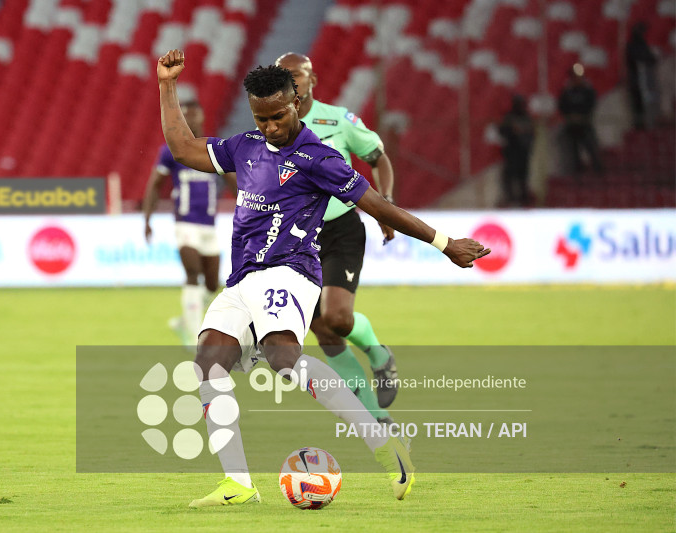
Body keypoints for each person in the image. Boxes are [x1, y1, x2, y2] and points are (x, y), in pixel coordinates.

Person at [156, 49, 490, 508]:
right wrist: (166, 85)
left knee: (281, 356)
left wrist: (444, 242)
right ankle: (238, 483)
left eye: (277, 116)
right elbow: (183, 149)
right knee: (209, 360)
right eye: (261, 119)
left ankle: (383, 444)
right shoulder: (246, 146)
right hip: (243, 278)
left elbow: (377, 205)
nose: (270, 127)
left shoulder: (318, 157)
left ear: (296, 101)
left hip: (292, 271)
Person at [275, 52, 397, 423]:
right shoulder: (272, 127)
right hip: (295, 237)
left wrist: (386, 204)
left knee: (339, 318)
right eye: (285, 77)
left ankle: (378, 353)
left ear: (313, 80)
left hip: (340, 229)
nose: (292, 83)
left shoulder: (338, 120)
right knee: (324, 332)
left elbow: (379, 157)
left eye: (298, 76)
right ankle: (378, 420)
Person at [142, 95, 234, 345]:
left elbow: (232, 182)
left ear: (202, 116)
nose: (190, 118)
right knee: (193, 274)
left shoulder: (215, 149)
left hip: (209, 225)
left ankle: (185, 321)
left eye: (194, 113)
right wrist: (147, 219)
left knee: (213, 284)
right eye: (185, 115)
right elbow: (154, 185)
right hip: (185, 224)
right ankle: (194, 340)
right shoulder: (172, 150)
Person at [557, 65, 604, 174]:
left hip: (584, 123)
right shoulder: (567, 91)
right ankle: (577, 172)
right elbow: (562, 106)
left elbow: (591, 103)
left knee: (591, 147)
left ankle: (598, 171)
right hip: (572, 125)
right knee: (573, 151)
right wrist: (570, 116)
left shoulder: (587, 90)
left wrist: (582, 114)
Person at [498, 94, 535, 207]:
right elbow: (502, 131)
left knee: (523, 176)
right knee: (509, 176)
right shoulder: (509, 117)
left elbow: (531, 135)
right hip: (511, 152)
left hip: (523, 152)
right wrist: (512, 130)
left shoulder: (527, 118)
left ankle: (524, 197)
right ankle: (510, 197)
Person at [626, 22, 658, 130]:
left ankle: (647, 124)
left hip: (644, 82)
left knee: (646, 104)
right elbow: (641, 58)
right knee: (638, 105)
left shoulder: (642, 44)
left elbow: (651, 59)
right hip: (636, 82)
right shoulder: (632, 46)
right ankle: (640, 125)